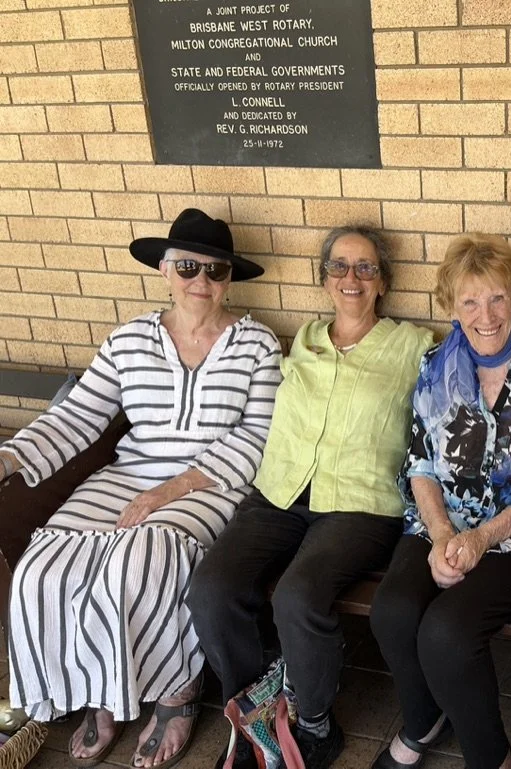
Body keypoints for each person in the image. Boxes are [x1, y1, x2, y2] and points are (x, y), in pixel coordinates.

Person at [0, 208, 282, 769]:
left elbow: (258, 437)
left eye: (216, 270)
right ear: (163, 269)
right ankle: (96, 692)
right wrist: (10, 456)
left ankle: (174, 694)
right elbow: (80, 416)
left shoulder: (257, 344)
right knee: (41, 569)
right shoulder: (129, 339)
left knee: (144, 561)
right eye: (187, 267)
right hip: (127, 474)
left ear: (230, 279)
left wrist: (169, 491)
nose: (201, 281)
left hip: (210, 481)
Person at [186, 225, 433, 769]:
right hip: (281, 493)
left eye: (366, 267)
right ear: (324, 279)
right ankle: (258, 714)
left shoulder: (412, 344)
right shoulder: (306, 339)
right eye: (339, 266)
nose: (351, 278)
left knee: (297, 596)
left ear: (384, 282)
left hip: (360, 505)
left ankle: (315, 723)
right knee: (211, 588)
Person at [368, 233, 511, 769]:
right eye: (469, 301)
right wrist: (441, 534)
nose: (486, 315)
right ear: (451, 307)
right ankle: (422, 723)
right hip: (440, 523)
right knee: (392, 611)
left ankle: (490, 758)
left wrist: (482, 537)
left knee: (446, 633)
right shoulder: (436, 364)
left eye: (497, 298)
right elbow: (419, 463)